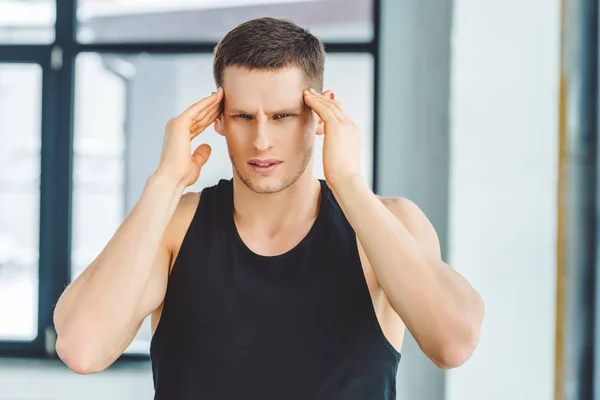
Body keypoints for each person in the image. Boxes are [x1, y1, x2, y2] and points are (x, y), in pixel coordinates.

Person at [53, 17, 484, 399]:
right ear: (218, 118)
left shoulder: (391, 223)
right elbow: (82, 349)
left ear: (319, 114)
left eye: (282, 116)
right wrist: (163, 183)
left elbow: (453, 344)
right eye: (243, 116)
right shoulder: (175, 225)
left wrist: (349, 184)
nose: (261, 141)